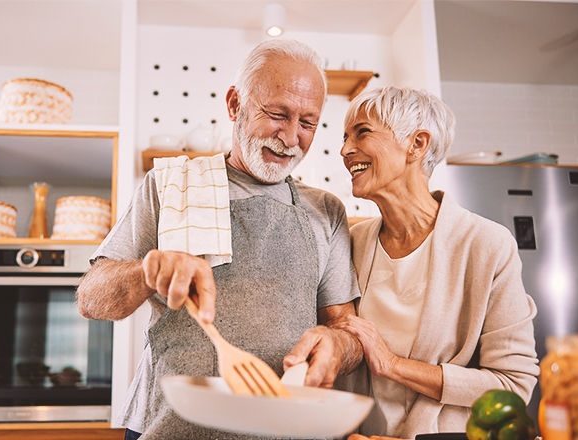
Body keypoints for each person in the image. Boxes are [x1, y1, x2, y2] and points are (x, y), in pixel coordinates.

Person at [76, 39, 363, 439]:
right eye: (278, 114)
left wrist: (338, 345)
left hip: (284, 429)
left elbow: (347, 329)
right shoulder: (168, 186)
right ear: (234, 104)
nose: (292, 137)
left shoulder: (326, 211)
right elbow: (91, 299)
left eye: (308, 122)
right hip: (168, 426)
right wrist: (146, 271)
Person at [333, 86, 539, 437]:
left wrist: (393, 365)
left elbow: (511, 386)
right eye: (344, 137)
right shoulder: (353, 242)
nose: (345, 150)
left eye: (362, 132)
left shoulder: (486, 245)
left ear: (417, 144)